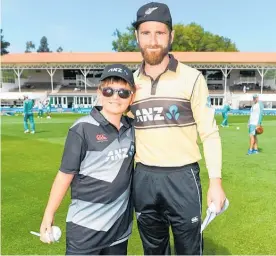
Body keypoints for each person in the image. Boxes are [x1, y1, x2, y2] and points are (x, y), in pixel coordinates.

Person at [129, 2, 226, 255]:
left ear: (171, 36)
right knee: (153, 250)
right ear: (137, 37)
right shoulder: (128, 83)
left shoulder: (192, 78)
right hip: (144, 178)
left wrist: (215, 181)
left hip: (183, 178)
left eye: (160, 33)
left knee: (189, 250)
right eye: (146, 33)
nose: (153, 40)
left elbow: (209, 133)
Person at [39, 64, 136, 255]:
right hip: (85, 229)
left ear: (132, 96)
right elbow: (65, 175)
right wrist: (48, 214)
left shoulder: (133, 129)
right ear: (100, 92)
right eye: (109, 90)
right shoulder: (82, 128)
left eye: (123, 93)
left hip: (119, 231)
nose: (115, 97)